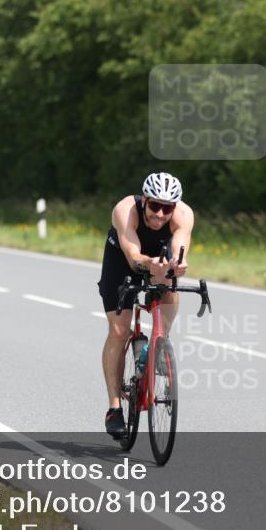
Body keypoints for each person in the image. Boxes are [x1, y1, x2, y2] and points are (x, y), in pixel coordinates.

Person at [97, 172, 193, 438]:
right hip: (123, 260)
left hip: (158, 257)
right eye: (155, 206)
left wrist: (176, 265)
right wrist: (150, 265)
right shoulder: (125, 210)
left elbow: (180, 245)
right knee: (118, 331)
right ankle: (115, 408)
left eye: (167, 208)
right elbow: (133, 256)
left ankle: (162, 340)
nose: (160, 214)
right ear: (145, 201)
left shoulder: (183, 214)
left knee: (170, 283)